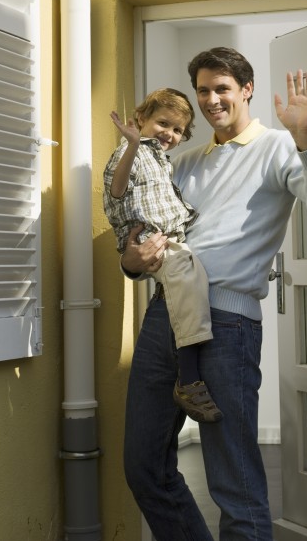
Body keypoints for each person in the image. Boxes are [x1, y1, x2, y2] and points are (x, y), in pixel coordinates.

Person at [120, 47, 307, 541]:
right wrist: (132, 261)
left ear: (245, 89)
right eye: (203, 90)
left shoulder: (278, 147)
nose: (211, 99)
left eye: (222, 88)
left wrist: (305, 134)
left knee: (235, 485)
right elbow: (139, 235)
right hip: (164, 319)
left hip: (226, 326)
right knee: (144, 467)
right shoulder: (181, 162)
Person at [103, 89, 221, 423]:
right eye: (163, 123)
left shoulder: (161, 160)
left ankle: (188, 374)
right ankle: (188, 378)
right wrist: (130, 146)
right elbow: (118, 188)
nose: (169, 133)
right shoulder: (133, 152)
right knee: (185, 272)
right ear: (141, 119)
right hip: (149, 238)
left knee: (190, 278)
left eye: (177, 129)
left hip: (166, 238)